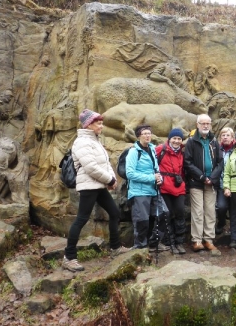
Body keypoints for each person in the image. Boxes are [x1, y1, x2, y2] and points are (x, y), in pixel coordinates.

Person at [63, 109, 130, 272]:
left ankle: (115, 248)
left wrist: (111, 178)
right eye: (98, 123)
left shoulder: (94, 140)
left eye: (101, 122)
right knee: (81, 219)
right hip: (88, 186)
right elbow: (91, 167)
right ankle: (69, 257)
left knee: (114, 213)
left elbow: (105, 162)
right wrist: (110, 179)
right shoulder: (82, 142)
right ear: (89, 125)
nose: (101, 126)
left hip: (98, 185)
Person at [184, 114, 223, 252]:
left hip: (211, 183)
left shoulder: (214, 141)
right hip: (196, 182)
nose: (205, 126)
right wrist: (201, 176)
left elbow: (220, 162)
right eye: (203, 123)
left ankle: (208, 239)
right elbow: (187, 162)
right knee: (198, 212)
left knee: (210, 211)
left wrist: (212, 178)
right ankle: (197, 240)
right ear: (197, 124)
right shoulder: (191, 142)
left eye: (208, 123)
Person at [125, 124, 164, 257]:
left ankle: (153, 243)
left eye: (149, 133)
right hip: (139, 192)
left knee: (163, 214)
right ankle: (140, 248)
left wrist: (159, 178)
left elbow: (156, 169)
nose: (148, 135)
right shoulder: (134, 152)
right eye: (145, 133)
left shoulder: (152, 149)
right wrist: (151, 178)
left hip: (153, 190)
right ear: (138, 136)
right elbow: (129, 173)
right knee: (142, 221)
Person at [155, 128, 187, 255]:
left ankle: (179, 242)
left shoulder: (182, 153)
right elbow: (152, 163)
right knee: (167, 215)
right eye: (174, 138)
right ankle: (170, 242)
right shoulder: (160, 150)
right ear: (169, 139)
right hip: (164, 187)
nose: (176, 141)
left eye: (179, 139)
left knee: (180, 213)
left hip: (179, 187)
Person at [216, 127, 236, 248]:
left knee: (235, 211)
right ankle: (221, 223)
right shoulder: (217, 149)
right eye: (223, 135)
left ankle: (234, 237)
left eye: (228, 135)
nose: (225, 137)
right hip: (221, 185)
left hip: (235, 185)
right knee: (221, 207)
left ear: (232, 138)